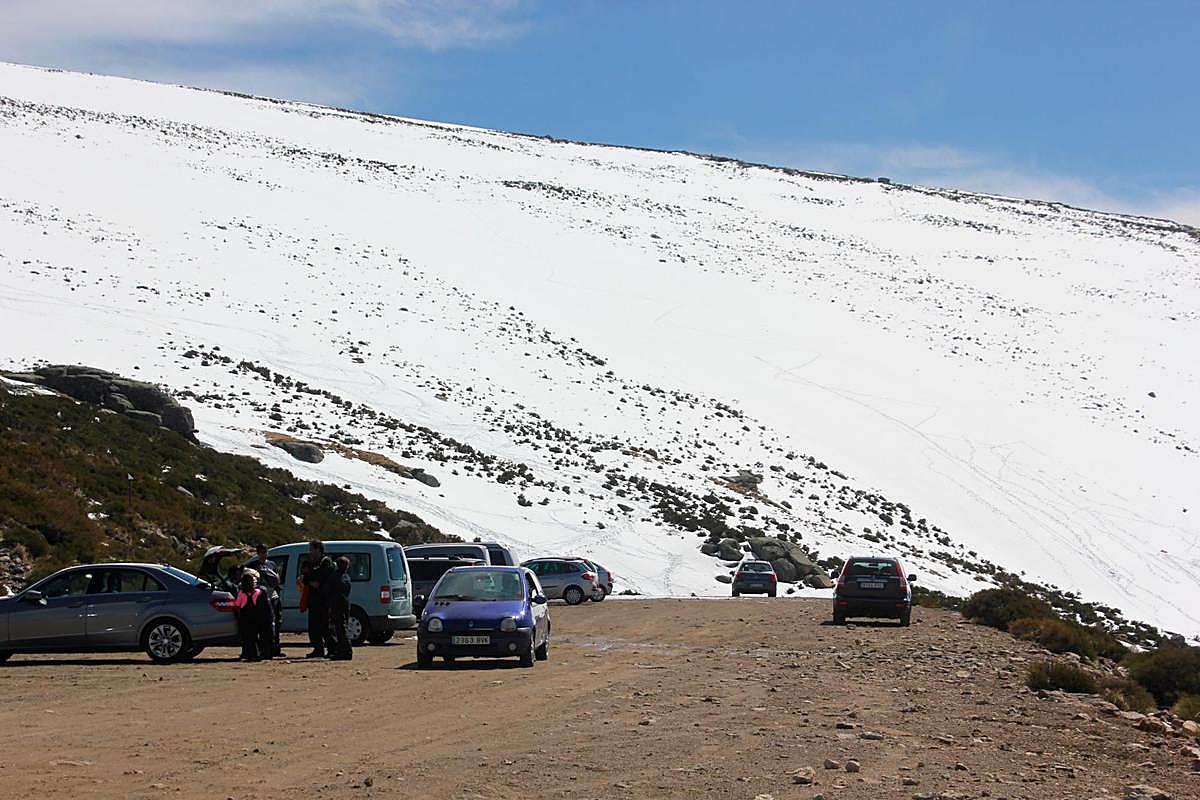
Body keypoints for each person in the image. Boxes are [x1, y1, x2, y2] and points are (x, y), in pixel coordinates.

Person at [245, 544, 282, 657]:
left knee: (275, 624)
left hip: (273, 596)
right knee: (263, 625)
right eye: (261, 552)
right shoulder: (253, 565)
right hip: (260, 599)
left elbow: (276, 580)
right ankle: (263, 649)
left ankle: (275, 648)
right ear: (258, 553)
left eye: (265, 552)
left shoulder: (272, 564)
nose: (264, 554)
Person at [300, 540, 335, 658]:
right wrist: (311, 579)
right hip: (313, 600)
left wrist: (312, 577)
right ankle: (318, 648)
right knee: (313, 627)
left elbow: (321, 577)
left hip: (324, 600)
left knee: (326, 626)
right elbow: (305, 578)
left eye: (311, 549)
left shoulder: (326, 562)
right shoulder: (310, 562)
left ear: (318, 549)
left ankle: (332, 649)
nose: (310, 552)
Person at [233, 571, 273, 661]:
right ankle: (265, 653)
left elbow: (238, 605)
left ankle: (252, 654)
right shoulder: (259, 592)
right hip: (258, 617)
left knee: (250, 637)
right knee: (263, 636)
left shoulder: (241, 593)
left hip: (246, 617)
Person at [328, 556, 353, 660]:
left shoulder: (335, 576)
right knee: (343, 626)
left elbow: (328, 589)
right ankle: (345, 650)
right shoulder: (346, 577)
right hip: (345, 602)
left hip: (337, 603)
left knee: (340, 628)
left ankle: (344, 651)